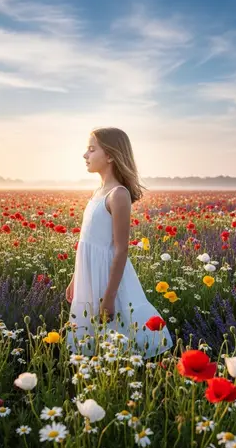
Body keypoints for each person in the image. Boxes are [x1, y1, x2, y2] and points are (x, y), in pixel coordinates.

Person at [65, 127, 173, 359]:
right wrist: (76, 278)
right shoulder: (97, 192)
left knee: (117, 333)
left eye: (92, 150)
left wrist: (109, 297)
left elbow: (121, 248)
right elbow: (86, 241)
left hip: (108, 279)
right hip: (90, 276)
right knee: (93, 335)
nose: (85, 155)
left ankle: (124, 377)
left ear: (111, 156)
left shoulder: (118, 195)